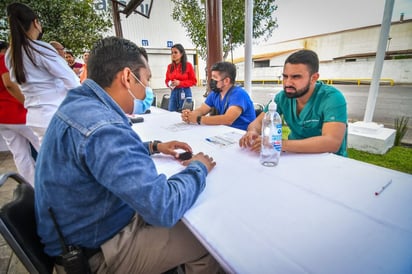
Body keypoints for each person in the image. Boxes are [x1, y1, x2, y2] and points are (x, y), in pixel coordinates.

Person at [34, 36, 220, 274]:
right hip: (96, 254)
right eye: (146, 79)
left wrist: (153, 147)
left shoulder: (79, 106)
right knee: (206, 241)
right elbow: (164, 206)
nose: (147, 89)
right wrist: (198, 168)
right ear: (127, 77)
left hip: (85, 232)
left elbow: (93, 157)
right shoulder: (104, 127)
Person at [239, 49, 348, 156]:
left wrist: (279, 144)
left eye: (296, 77)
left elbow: (332, 142)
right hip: (294, 156)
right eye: (285, 76)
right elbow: (258, 123)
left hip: (328, 161)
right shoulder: (282, 97)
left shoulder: (332, 98)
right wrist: (252, 132)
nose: (287, 83)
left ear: (313, 78)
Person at [5, 3, 80, 146]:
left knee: (49, 160)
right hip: (55, 114)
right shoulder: (39, 48)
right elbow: (72, 81)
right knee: (65, 162)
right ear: (36, 23)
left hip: (35, 117)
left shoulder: (11, 54)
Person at [0, 40, 39, 186]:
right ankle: (52, 184)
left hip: (2, 117)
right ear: (6, 50)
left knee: (19, 153)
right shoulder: (3, 59)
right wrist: (26, 103)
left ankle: (32, 186)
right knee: (43, 145)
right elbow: (9, 84)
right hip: (17, 113)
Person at [181, 61, 256, 131]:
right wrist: (190, 115)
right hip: (225, 131)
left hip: (242, 134)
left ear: (226, 81)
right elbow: (202, 110)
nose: (211, 80)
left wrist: (198, 119)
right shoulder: (215, 93)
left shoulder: (239, 94)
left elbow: (228, 119)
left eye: (215, 77)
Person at [165, 43, 197, 111]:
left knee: (184, 114)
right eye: (172, 53)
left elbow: (193, 81)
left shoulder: (188, 65)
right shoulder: (170, 67)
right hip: (174, 92)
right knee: (171, 112)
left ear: (181, 54)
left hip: (185, 92)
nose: (173, 54)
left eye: (175, 52)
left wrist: (180, 83)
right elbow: (167, 80)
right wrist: (169, 84)